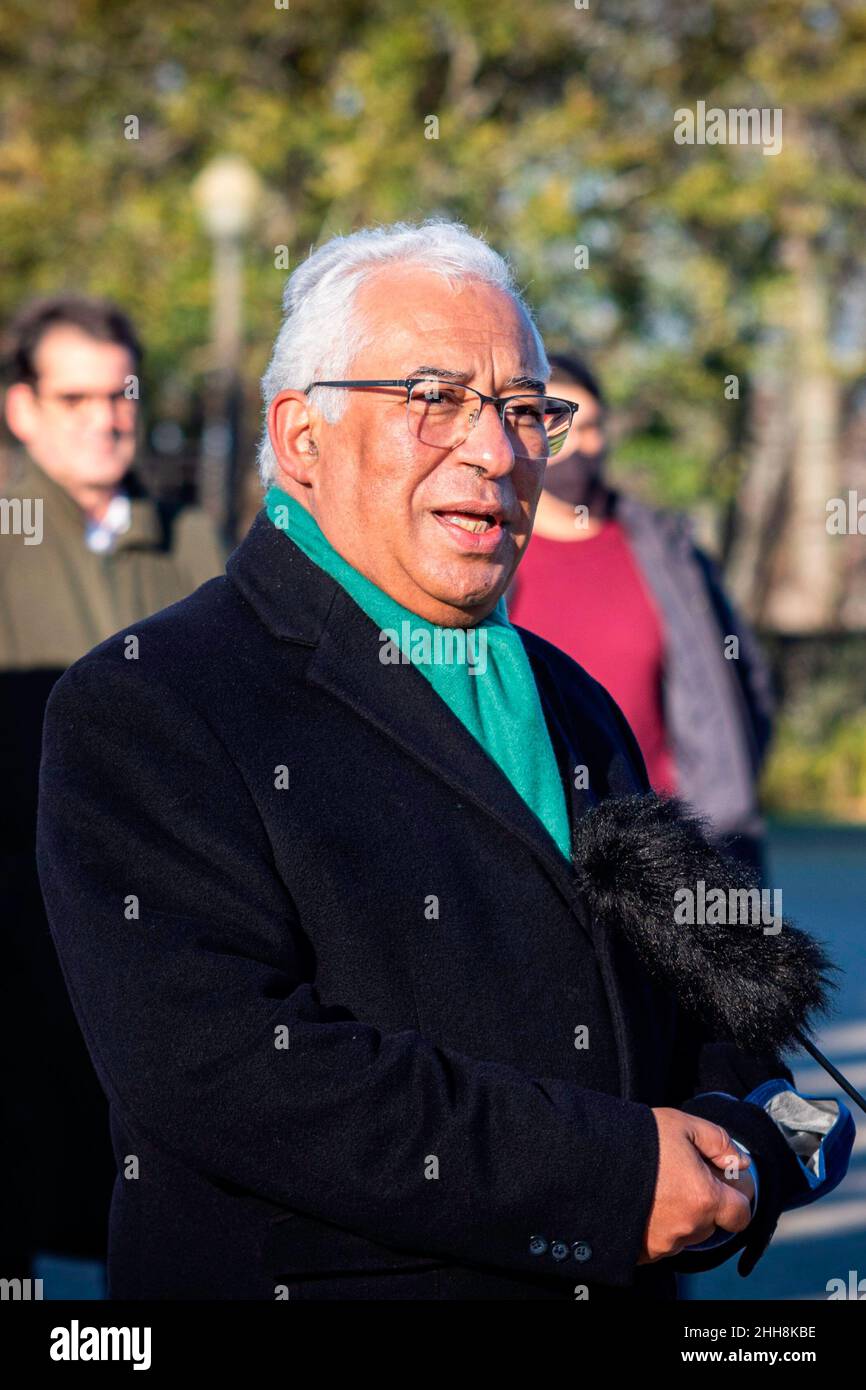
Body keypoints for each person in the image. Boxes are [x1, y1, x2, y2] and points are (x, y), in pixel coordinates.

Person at [36, 222, 842, 1301]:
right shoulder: (150, 699)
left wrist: (738, 1128)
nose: (497, 452)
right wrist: (607, 1173)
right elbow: (228, 1072)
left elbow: (683, 998)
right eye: (435, 397)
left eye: (523, 410)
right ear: (302, 435)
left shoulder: (569, 700)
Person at [0, 295, 224, 1283]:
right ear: (22, 408)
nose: (106, 416)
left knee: (158, 1223)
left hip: (159, 952)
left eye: (121, 393)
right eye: (76, 395)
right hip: (12, 945)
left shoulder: (191, 538)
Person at [507, 352, 774, 876]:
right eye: (564, 426)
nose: (585, 445)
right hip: (538, 847)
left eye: (596, 427)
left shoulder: (668, 553)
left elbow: (745, 684)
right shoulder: (490, 554)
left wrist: (720, 794)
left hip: (669, 853)